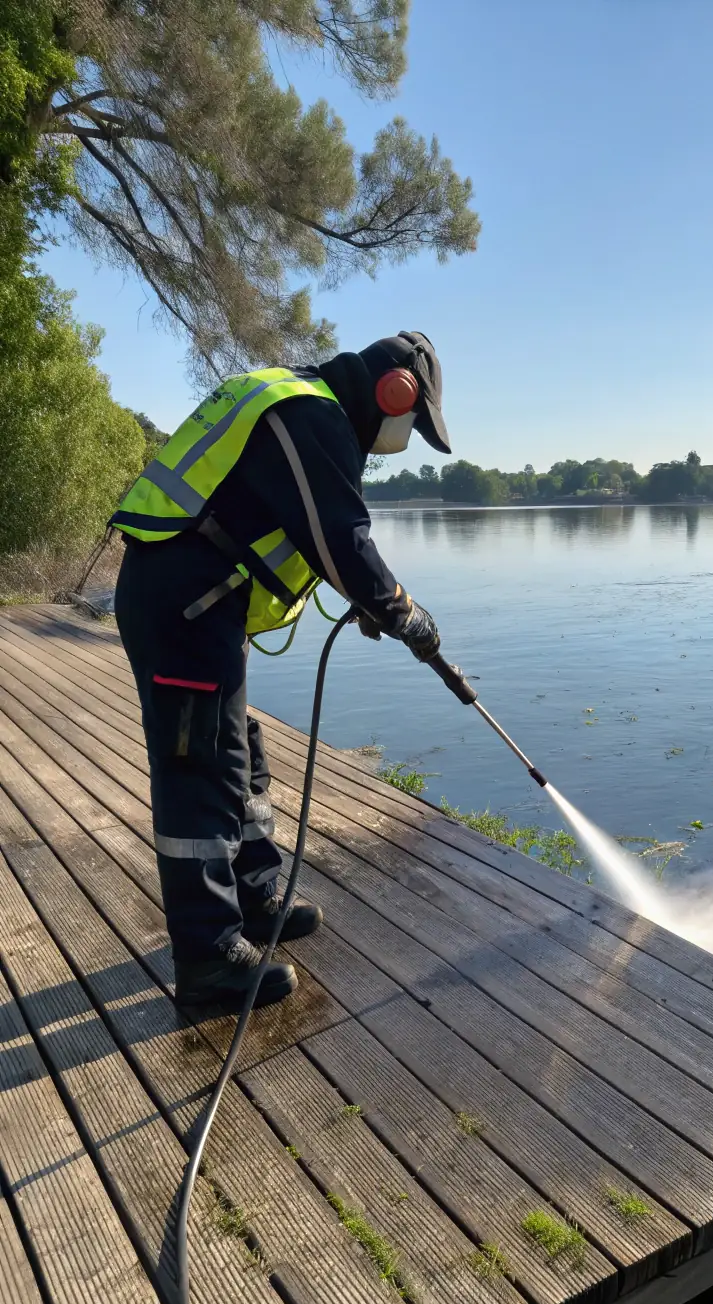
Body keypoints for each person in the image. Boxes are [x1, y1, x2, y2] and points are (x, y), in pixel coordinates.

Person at [111, 332, 448, 1009]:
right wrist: (405, 614)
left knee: (238, 750)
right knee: (200, 764)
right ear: (396, 392)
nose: (409, 438)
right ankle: (208, 957)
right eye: (416, 422)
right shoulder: (311, 414)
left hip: (200, 600)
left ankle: (255, 896)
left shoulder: (303, 408)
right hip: (184, 602)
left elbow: (296, 529)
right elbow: (341, 541)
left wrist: (365, 600)